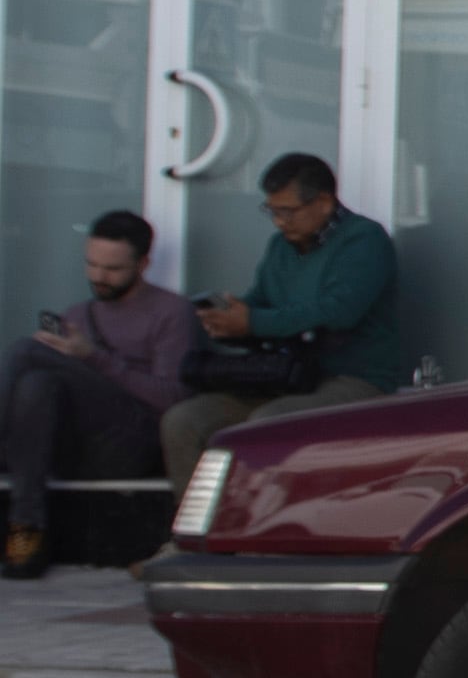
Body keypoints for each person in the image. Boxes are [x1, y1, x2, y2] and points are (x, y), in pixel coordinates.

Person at [158, 153, 403, 492]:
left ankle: (262, 533)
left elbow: (338, 312)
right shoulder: (280, 247)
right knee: (184, 420)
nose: (278, 222)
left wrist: (253, 322)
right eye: (271, 211)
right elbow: (261, 304)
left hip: (351, 379)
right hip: (283, 375)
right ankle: (196, 533)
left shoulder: (364, 240)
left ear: (323, 202)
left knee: (269, 424)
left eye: (287, 211)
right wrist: (229, 322)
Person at [2, 210, 194, 577]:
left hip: (131, 444)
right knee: (36, 384)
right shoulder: (79, 314)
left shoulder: (172, 312)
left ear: (143, 263)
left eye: (112, 269)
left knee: (26, 352)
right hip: (67, 445)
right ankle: (27, 527)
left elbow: (173, 398)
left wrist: (93, 357)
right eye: (91, 265)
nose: (98, 277)